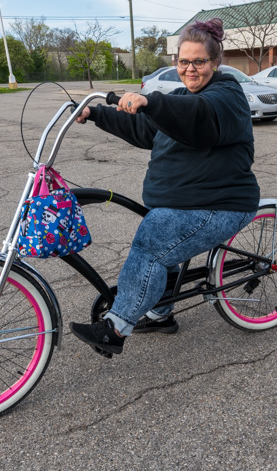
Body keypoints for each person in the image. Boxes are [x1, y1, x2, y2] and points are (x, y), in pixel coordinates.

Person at [69, 18, 260, 356]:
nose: (190, 69)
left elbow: (197, 114)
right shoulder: (182, 98)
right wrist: (95, 114)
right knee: (164, 234)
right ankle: (160, 314)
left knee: (154, 238)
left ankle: (115, 328)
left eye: (199, 61)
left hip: (222, 204)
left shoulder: (226, 95)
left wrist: (151, 100)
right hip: (184, 203)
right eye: (183, 61)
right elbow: (145, 129)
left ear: (215, 63)